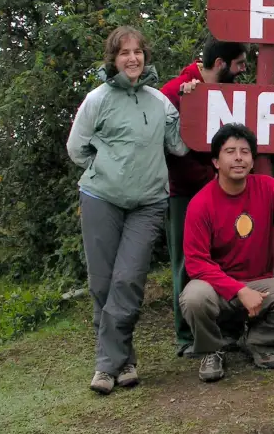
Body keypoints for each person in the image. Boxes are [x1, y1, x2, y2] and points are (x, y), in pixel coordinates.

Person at [66, 25, 190, 395]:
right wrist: (104, 168)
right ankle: (125, 362)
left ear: (145, 56)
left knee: (128, 281)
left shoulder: (159, 101)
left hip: (149, 202)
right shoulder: (98, 99)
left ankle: (105, 366)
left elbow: (180, 147)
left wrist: (190, 100)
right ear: (114, 59)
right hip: (101, 199)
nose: (132, 58)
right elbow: (77, 148)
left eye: (137, 51)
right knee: (103, 284)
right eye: (124, 53)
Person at [180, 123, 274, 382]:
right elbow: (196, 263)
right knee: (194, 297)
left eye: (245, 152)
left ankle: (260, 343)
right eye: (230, 151)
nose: (239, 157)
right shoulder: (201, 203)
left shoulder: (268, 188)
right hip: (219, 288)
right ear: (216, 161)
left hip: (261, 284)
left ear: (252, 161)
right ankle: (212, 349)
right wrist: (239, 291)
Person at [160, 38, 248, 357]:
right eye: (239, 64)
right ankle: (187, 337)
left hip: (222, 191)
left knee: (228, 255)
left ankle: (228, 329)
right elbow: (163, 145)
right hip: (183, 192)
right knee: (186, 263)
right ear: (221, 64)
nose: (243, 71)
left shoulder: (230, 93)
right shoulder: (175, 91)